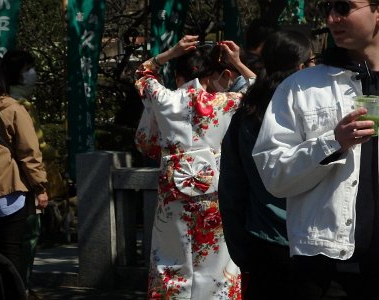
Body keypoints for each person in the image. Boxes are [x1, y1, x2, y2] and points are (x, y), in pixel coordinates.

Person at [252, 1, 379, 299]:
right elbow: (273, 174)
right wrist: (333, 143)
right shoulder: (301, 87)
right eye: (328, 8)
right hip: (324, 265)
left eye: (344, 7)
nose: (332, 18)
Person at [135, 35, 256, 299]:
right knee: (217, 266)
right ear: (212, 73)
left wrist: (171, 52)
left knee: (169, 263)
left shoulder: (165, 99)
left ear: (180, 74)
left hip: (173, 197)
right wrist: (237, 61)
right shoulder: (225, 103)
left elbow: (142, 72)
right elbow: (258, 88)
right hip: (214, 196)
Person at [218, 29, 315, 300]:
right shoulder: (311, 112)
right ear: (300, 66)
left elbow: (231, 186)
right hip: (309, 240)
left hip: (262, 240)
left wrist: (239, 248)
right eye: (311, 62)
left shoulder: (249, 112)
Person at [2, 50, 66, 299]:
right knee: (27, 238)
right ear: (17, 74)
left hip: (10, 184)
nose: (34, 74)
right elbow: (33, 149)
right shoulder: (19, 107)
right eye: (29, 69)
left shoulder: (1, 103)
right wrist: (54, 152)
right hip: (25, 185)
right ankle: (21, 287)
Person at [0, 54, 48, 285]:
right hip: (9, 197)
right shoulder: (12, 110)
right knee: (11, 255)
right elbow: (29, 154)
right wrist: (40, 188)